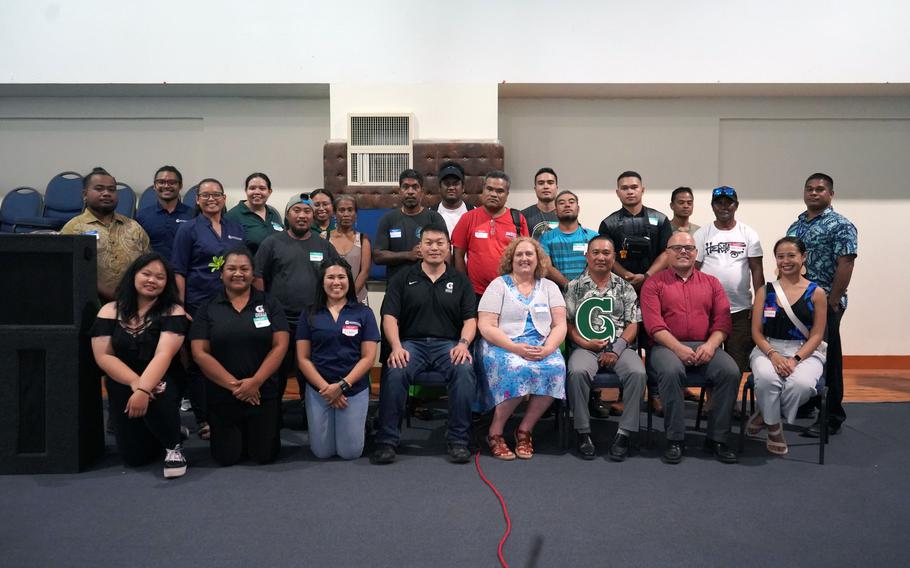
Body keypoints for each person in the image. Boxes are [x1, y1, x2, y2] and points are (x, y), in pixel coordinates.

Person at [371, 223, 478, 465]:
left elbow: (470, 319)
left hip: (449, 345)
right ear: (419, 247)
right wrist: (397, 347)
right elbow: (389, 317)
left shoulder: (461, 281)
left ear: (448, 247)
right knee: (395, 371)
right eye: (428, 243)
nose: (434, 248)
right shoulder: (402, 278)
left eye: (440, 243)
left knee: (463, 371)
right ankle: (387, 441)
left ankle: (458, 441)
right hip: (411, 345)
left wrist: (463, 344)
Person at [640, 232, 740, 464]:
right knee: (671, 371)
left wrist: (712, 345)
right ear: (667, 253)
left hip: (706, 344)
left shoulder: (712, 283)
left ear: (696, 253)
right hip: (666, 346)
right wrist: (677, 348)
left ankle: (717, 438)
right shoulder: (654, 284)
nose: (683, 251)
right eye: (677, 248)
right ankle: (675, 438)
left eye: (688, 248)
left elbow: (723, 321)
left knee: (730, 372)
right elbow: (654, 325)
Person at [90, 252, 189, 478]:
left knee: (158, 389)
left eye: (160, 277)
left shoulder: (173, 311)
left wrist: (144, 388)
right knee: (135, 458)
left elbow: (164, 354)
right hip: (122, 380)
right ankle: (168, 430)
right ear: (134, 275)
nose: (152, 280)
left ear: (167, 283)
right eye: (146, 274)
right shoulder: (109, 310)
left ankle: (173, 446)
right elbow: (104, 357)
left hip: (162, 376)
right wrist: (135, 383)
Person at [190, 247, 289, 466]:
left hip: (263, 392)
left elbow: (280, 346)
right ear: (221, 273)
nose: (238, 273)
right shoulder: (207, 307)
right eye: (231, 269)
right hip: (223, 393)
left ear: (253, 274)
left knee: (264, 456)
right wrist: (237, 387)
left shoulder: (270, 303)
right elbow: (199, 353)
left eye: (244, 269)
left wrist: (255, 382)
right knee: (226, 458)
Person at [478, 237, 567, 460]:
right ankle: (495, 432)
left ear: (538, 260)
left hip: (541, 345)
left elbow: (560, 324)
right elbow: (485, 325)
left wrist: (548, 349)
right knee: (518, 370)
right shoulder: (498, 285)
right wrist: (515, 348)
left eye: (529, 254)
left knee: (555, 367)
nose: (524, 258)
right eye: (519, 254)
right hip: (502, 345)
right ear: (511, 259)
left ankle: (524, 430)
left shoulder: (550, 287)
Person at [171, 178, 246, 438]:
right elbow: (179, 270)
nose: (211, 199)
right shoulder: (188, 229)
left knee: (228, 359)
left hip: (232, 305)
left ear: (225, 199)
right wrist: (179, 307)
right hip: (198, 305)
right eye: (205, 195)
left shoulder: (236, 228)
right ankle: (204, 420)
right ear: (197, 200)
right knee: (199, 364)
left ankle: (229, 413)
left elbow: (243, 268)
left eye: (216, 194)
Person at [787, 173, 857, 437]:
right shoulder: (797, 225)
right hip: (797, 302)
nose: (814, 193)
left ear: (831, 194)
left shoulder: (841, 225)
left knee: (828, 357)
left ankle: (832, 416)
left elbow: (846, 263)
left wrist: (833, 300)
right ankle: (809, 401)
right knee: (803, 351)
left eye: (820, 189)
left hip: (826, 301)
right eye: (809, 189)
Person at [565, 235, 646, 461]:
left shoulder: (625, 287)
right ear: (587, 256)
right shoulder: (574, 287)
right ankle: (583, 432)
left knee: (638, 373)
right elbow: (568, 324)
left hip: (618, 347)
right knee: (577, 371)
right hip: (585, 346)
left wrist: (616, 349)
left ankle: (624, 433)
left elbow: (633, 324)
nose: (601, 257)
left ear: (614, 257)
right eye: (596, 253)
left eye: (607, 253)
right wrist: (583, 343)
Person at [253, 193, 340, 399]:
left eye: (307, 211)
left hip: (313, 320)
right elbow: (257, 276)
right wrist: (263, 309)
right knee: (277, 373)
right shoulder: (271, 243)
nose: (302, 215)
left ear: (313, 216)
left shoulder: (324, 245)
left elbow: (338, 275)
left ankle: (309, 419)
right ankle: (273, 421)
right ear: (287, 215)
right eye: (297, 210)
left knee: (309, 374)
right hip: (280, 321)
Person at [747, 237, 827, 455]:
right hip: (768, 348)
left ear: (803, 257)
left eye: (791, 255)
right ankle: (774, 429)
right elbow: (756, 332)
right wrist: (773, 355)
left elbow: (817, 334)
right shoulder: (766, 290)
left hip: (805, 351)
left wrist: (795, 360)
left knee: (800, 385)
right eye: (780, 256)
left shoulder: (817, 293)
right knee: (767, 379)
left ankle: (765, 413)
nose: (786, 261)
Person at [296, 258, 379, 459]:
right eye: (330, 277)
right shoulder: (309, 313)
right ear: (322, 282)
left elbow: (368, 358)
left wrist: (341, 386)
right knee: (322, 452)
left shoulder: (363, 313)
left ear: (349, 281)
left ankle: (365, 425)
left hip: (353, 389)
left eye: (341, 277)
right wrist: (327, 389)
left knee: (349, 452)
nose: (336, 282)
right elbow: (303, 358)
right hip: (319, 390)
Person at [694, 186, 764, 374]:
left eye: (728, 202)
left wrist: (759, 304)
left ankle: (729, 402)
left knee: (736, 363)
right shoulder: (702, 234)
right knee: (708, 359)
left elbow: (757, 270)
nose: (724, 207)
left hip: (740, 310)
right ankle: (712, 402)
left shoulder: (748, 233)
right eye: (719, 203)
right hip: (709, 310)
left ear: (736, 205)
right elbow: (694, 270)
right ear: (712, 206)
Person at [61, 167, 150, 302]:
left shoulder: (134, 227)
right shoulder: (73, 228)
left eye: (112, 189)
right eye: (99, 189)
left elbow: (149, 264)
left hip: (134, 302)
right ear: (85, 194)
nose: (106, 193)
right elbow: (68, 271)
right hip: (89, 305)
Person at [452, 170, 530, 299]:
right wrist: (464, 285)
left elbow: (525, 256)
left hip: (510, 291)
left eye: (500, 191)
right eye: (489, 189)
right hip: (475, 293)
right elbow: (458, 255)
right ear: (483, 190)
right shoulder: (468, 218)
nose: (494, 194)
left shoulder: (518, 219)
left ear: (507, 194)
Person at [598, 170, 672, 292]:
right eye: (624, 188)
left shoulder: (661, 220)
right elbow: (606, 255)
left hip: (657, 284)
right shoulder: (608, 223)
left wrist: (647, 276)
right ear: (617, 192)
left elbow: (667, 252)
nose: (630, 192)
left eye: (634, 187)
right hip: (619, 287)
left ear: (642, 190)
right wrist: (626, 275)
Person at [373, 169, 444, 282]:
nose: (410, 191)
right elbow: (378, 256)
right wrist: (408, 255)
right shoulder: (388, 219)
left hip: (428, 286)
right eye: (405, 187)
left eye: (415, 187)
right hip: (396, 288)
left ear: (422, 191)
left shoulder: (434, 218)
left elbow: (445, 252)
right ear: (399, 191)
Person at [539, 190, 599, 289]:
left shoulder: (593, 237)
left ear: (578, 209)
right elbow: (547, 267)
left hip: (589, 291)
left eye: (571, 202)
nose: (567, 205)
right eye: (562, 203)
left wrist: (580, 285)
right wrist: (570, 286)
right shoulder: (546, 238)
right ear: (555, 211)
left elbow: (597, 264)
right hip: (558, 293)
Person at [136, 165, 194, 259]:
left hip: (185, 271)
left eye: (172, 182)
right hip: (154, 271)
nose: (166, 186)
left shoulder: (193, 215)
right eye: (161, 182)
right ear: (154, 186)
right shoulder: (141, 216)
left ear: (180, 186)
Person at [225, 172, 284, 254]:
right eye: (252, 188)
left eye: (262, 188)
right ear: (246, 191)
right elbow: (230, 252)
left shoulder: (273, 213)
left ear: (269, 192)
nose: (257, 192)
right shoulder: (232, 216)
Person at [329, 194, 371, 305]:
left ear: (356, 214)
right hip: (330, 298)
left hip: (357, 299)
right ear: (334, 214)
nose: (346, 214)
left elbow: (364, 272)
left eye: (350, 210)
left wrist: (349, 297)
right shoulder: (324, 238)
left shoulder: (363, 239)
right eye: (342, 210)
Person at [431, 161, 474, 237]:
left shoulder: (474, 213)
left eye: (455, 183)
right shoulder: (430, 214)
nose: (451, 188)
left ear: (463, 187)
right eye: (447, 184)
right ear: (439, 188)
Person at [521, 167, 559, 239]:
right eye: (541, 183)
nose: (546, 186)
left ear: (556, 188)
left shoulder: (566, 215)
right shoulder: (523, 216)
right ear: (535, 189)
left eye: (550, 183)